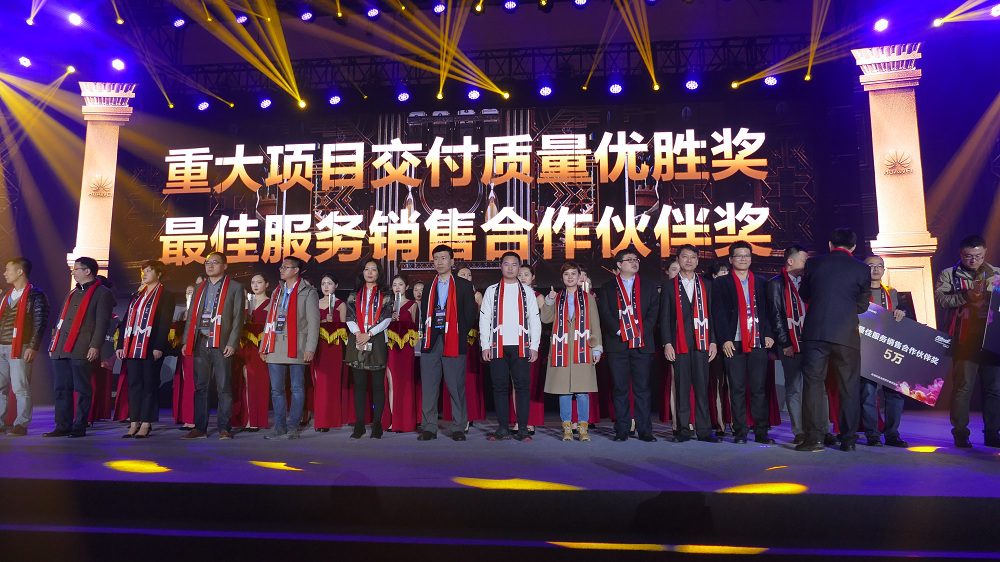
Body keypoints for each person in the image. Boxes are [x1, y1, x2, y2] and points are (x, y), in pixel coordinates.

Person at [795, 228, 872, 452]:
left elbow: (804, 294)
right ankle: (848, 440)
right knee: (849, 386)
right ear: (853, 247)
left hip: (816, 333)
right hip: (846, 334)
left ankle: (814, 439)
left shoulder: (814, 263)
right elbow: (862, 305)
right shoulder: (862, 268)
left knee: (813, 384)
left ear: (830, 244)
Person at [935, 235, 1000, 448]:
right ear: (960, 254)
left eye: (978, 256)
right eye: (968, 256)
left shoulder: (996, 274)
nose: (973, 260)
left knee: (994, 389)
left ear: (985, 252)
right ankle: (961, 433)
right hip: (964, 340)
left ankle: (993, 433)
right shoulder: (949, 274)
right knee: (963, 388)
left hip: (992, 340)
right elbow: (941, 300)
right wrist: (966, 297)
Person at [712, 241, 775, 444]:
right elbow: (718, 313)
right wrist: (725, 339)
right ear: (731, 259)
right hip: (734, 342)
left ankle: (761, 431)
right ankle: (740, 431)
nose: (743, 259)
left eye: (746, 255)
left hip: (757, 341)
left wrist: (768, 333)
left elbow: (768, 312)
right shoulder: (721, 283)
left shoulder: (761, 282)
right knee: (737, 389)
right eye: (739, 255)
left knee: (758, 389)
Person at [44, 257, 114, 438]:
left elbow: (102, 323)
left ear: (87, 271)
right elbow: (61, 320)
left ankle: (80, 425)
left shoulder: (102, 293)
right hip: (61, 347)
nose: (73, 272)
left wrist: (95, 346)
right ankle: (62, 425)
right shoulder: (72, 292)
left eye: (76, 269)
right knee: (61, 388)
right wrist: (54, 343)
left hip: (82, 348)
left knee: (82, 389)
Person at [180, 252, 245, 440]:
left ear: (225, 266)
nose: (210, 266)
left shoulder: (234, 287)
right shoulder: (199, 288)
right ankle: (200, 428)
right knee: (201, 386)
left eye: (215, 263)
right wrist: (186, 340)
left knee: (223, 387)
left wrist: (233, 342)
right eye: (207, 263)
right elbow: (191, 316)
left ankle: (224, 427)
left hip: (222, 343)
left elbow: (238, 318)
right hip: (200, 340)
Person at [598, 247, 660, 442]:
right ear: (619, 264)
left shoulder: (649, 286)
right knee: (620, 388)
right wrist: (620, 331)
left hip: (642, 343)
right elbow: (605, 313)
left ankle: (645, 430)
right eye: (630, 260)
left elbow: (653, 312)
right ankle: (622, 429)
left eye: (636, 260)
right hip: (618, 344)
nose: (634, 263)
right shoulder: (608, 287)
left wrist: (640, 331)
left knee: (642, 388)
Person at [768, 245, 828, 444]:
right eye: (804, 260)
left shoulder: (810, 281)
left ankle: (823, 429)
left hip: (812, 342)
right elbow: (776, 315)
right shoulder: (776, 284)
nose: (807, 264)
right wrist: (784, 342)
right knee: (794, 388)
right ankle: (800, 431)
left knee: (818, 387)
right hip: (789, 343)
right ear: (790, 261)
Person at [479, 252, 542, 441]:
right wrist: (485, 345)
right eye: (506, 264)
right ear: (501, 266)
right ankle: (502, 428)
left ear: (519, 267)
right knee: (499, 387)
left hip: (521, 345)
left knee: (522, 387)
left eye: (514, 265)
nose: (510, 268)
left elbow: (535, 320)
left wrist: (534, 346)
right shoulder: (492, 290)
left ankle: (522, 428)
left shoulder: (527, 292)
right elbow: (485, 319)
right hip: (497, 344)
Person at [418, 245, 478, 441]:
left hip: (453, 340)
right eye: (436, 258)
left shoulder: (463, 285)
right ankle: (429, 426)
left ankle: (458, 426)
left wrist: (457, 333)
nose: (439, 262)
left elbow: (470, 315)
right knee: (429, 386)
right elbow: (424, 315)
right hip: (432, 341)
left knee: (455, 386)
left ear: (452, 261)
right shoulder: (429, 286)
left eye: (444, 258)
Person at [660, 245, 718, 443]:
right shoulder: (669, 286)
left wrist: (713, 341)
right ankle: (683, 430)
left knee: (702, 388)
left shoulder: (707, 285)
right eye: (685, 257)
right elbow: (665, 318)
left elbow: (713, 315)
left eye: (693, 257)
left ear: (698, 261)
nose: (689, 260)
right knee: (682, 389)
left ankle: (704, 430)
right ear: (678, 259)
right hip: (679, 344)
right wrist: (667, 343)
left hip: (702, 343)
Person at [260, 257, 319, 440]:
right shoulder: (277, 291)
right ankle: (279, 427)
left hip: (297, 345)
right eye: (281, 267)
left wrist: (310, 348)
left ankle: (293, 427)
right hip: (275, 345)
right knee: (276, 390)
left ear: (296, 270)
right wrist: (264, 345)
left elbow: (313, 323)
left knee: (297, 388)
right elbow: (269, 320)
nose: (281, 269)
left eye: (286, 267)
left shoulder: (308, 292)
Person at [542, 262, 602, 441]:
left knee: (582, 391)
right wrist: (549, 300)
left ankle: (583, 428)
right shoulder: (557, 297)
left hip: (582, 349)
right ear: (562, 278)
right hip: (562, 349)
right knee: (564, 391)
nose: (570, 277)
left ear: (579, 276)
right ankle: (567, 427)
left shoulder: (588, 298)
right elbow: (545, 318)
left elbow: (595, 324)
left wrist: (597, 349)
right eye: (566, 274)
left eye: (573, 273)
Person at [116, 260, 174, 439]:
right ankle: (134, 421)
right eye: (143, 271)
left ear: (159, 274)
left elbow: (164, 323)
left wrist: (159, 346)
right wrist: (120, 345)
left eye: (148, 271)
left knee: (149, 384)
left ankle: (146, 423)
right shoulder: (137, 294)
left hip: (151, 346)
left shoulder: (165, 294)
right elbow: (126, 319)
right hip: (132, 345)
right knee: (134, 384)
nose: (144, 274)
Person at [861, 255, 909, 447]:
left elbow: (906, 317)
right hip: (867, 349)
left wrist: (903, 312)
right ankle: (872, 434)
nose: (875, 269)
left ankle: (892, 434)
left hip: (890, 348)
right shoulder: (858, 293)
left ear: (883, 269)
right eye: (871, 266)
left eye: (879, 266)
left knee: (894, 394)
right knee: (868, 393)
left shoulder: (892, 293)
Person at [344, 260, 393, 439]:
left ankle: (377, 424)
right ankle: (360, 425)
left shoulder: (386, 294)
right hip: (357, 338)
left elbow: (387, 318)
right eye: (367, 269)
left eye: (373, 270)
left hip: (377, 339)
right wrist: (359, 333)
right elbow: (349, 315)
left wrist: (369, 334)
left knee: (378, 385)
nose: (370, 272)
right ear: (362, 272)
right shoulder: (355, 294)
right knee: (359, 385)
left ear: (379, 273)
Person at [0, 258, 49, 436]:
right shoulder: (6, 295)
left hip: (20, 347)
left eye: (8, 269)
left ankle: (21, 424)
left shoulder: (35, 295)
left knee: (20, 387)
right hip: (1, 346)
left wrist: (33, 346)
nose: (5, 273)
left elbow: (40, 322)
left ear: (20, 271)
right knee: (0, 387)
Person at [234, 273, 271, 432]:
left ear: (266, 284)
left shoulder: (271, 303)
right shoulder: (246, 303)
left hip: (260, 347)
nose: (255, 285)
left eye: (259, 282)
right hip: (244, 345)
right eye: (253, 282)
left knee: (257, 382)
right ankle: (247, 419)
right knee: (244, 382)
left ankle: (256, 419)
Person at [514, 264, 548, 433]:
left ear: (533, 277)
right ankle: (516, 419)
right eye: (520, 274)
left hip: (532, 343)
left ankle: (530, 420)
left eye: (526, 274)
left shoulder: (538, 297)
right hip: (513, 341)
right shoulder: (510, 295)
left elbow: (544, 321)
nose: (523, 277)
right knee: (515, 382)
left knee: (530, 382)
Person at [312, 273, 347, 431]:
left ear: (336, 285)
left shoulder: (340, 304)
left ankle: (331, 419)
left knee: (332, 383)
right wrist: (322, 322)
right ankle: (321, 420)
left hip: (334, 347)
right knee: (320, 382)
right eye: (323, 283)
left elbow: (345, 329)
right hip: (318, 346)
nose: (326, 286)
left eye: (329, 283)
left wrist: (334, 323)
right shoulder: (315, 303)